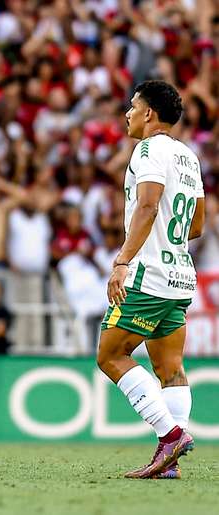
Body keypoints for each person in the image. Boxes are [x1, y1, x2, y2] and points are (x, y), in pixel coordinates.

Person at [97, 80, 204, 479]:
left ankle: (171, 435)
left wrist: (123, 260)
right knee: (170, 368)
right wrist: (168, 239)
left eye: (132, 106)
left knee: (110, 356)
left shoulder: (148, 149)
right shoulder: (188, 157)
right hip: (179, 273)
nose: (127, 113)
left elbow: (148, 203)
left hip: (149, 275)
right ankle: (169, 464)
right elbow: (197, 224)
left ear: (149, 114)